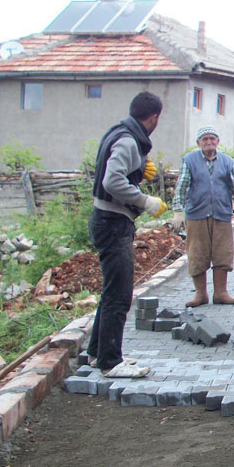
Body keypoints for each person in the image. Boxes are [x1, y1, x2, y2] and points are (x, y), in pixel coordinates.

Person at [87, 91, 168, 378]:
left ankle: (97, 353)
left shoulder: (119, 130)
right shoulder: (127, 139)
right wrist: (145, 200)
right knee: (120, 294)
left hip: (106, 218)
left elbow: (115, 172)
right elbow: (112, 181)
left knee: (112, 289)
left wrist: (138, 174)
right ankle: (111, 362)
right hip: (112, 221)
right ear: (153, 117)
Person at [171, 126, 234, 307]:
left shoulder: (227, 162)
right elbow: (182, 186)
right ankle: (201, 294)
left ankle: (221, 293)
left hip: (221, 214)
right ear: (198, 142)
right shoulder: (189, 160)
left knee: (223, 253)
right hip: (197, 214)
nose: (209, 142)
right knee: (197, 253)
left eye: (212, 138)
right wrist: (177, 211)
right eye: (205, 139)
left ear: (218, 141)